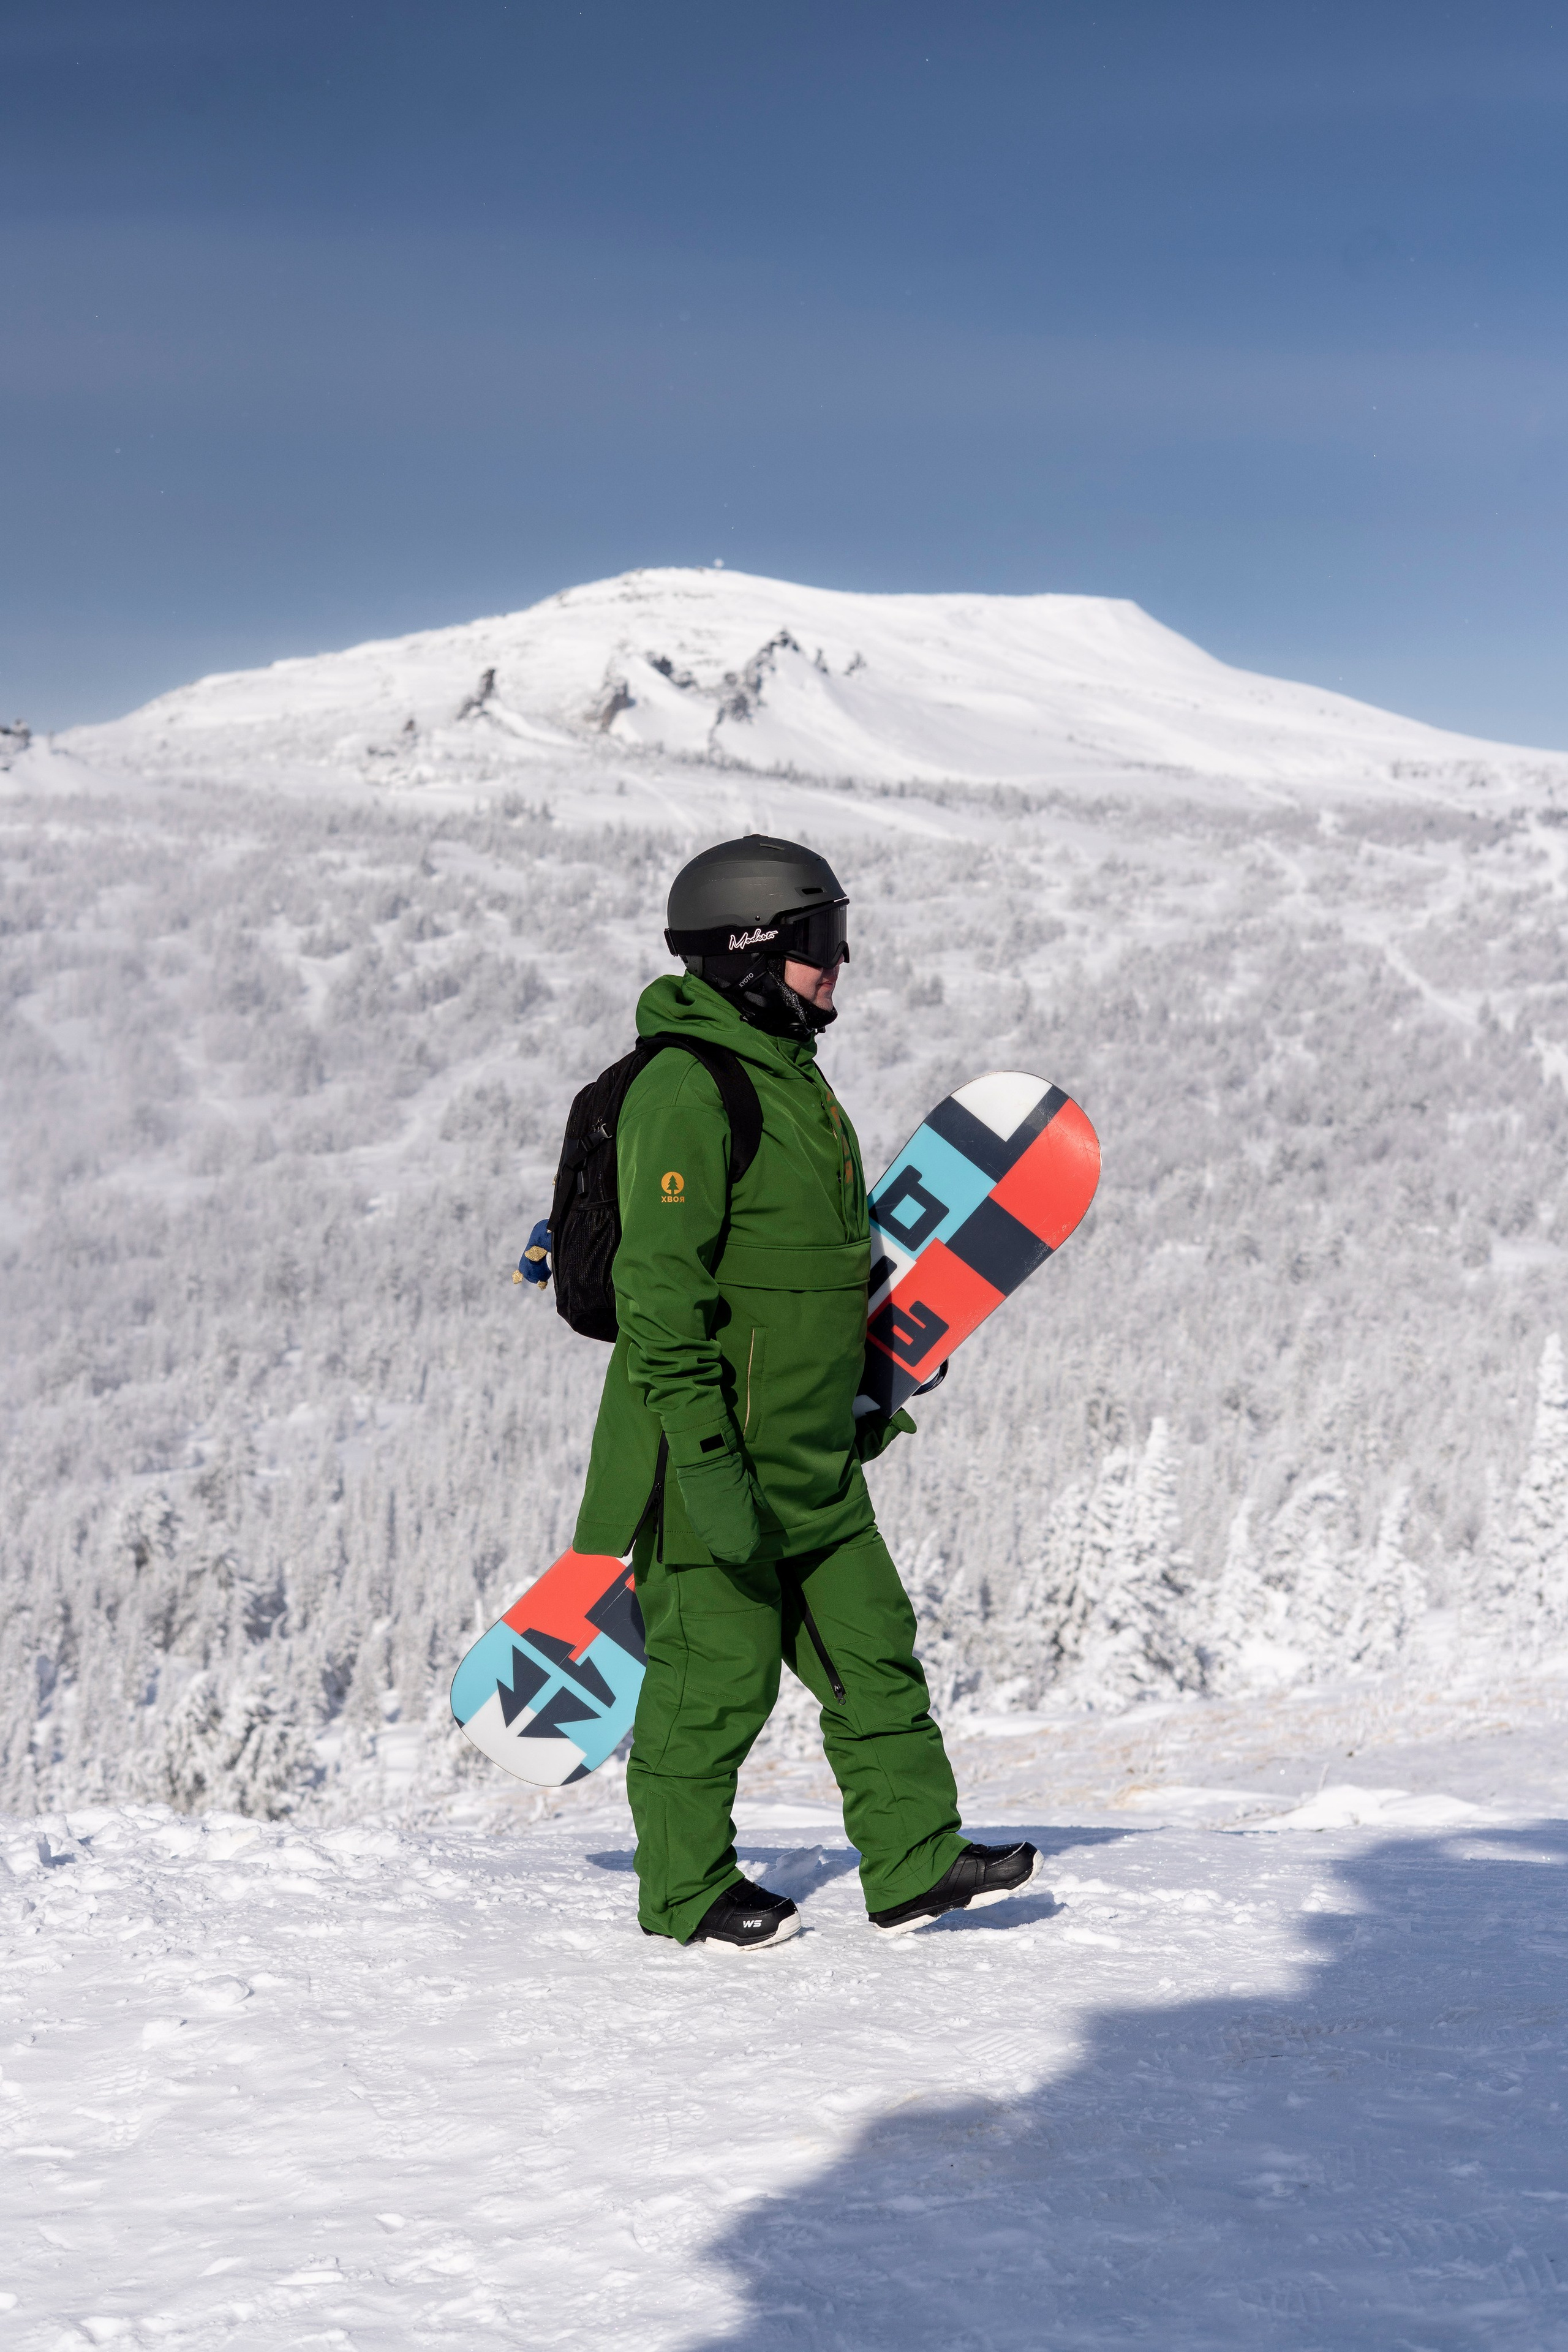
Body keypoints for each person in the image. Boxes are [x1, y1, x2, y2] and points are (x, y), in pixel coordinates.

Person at [571, 834, 1039, 1948]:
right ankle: (685, 1890)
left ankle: (915, 1857)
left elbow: (812, 1277)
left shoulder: (795, 1078)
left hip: (816, 1456)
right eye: (817, 943)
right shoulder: (689, 1089)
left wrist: (867, 1381)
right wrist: (703, 1463)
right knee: (714, 1680)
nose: (840, 966)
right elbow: (660, 1306)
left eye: (838, 939)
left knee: (872, 1647)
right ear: (745, 952)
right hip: (715, 1461)